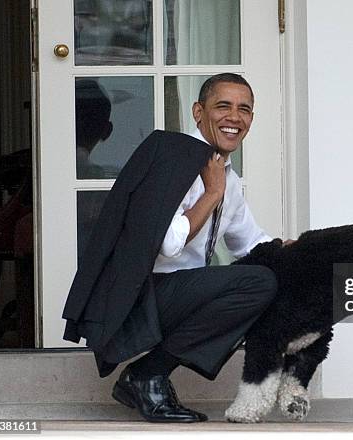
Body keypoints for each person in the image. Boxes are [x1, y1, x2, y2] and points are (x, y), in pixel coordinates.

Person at [109, 73, 282, 423]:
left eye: (244, 109)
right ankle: (146, 375)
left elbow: (251, 242)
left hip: (178, 292)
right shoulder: (173, 162)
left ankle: (148, 375)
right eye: (223, 106)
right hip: (141, 296)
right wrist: (211, 195)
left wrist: (300, 251)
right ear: (198, 112)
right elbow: (169, 245)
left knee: (269, 275)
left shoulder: (226, 177)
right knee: (258, 283)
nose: (235, 117)